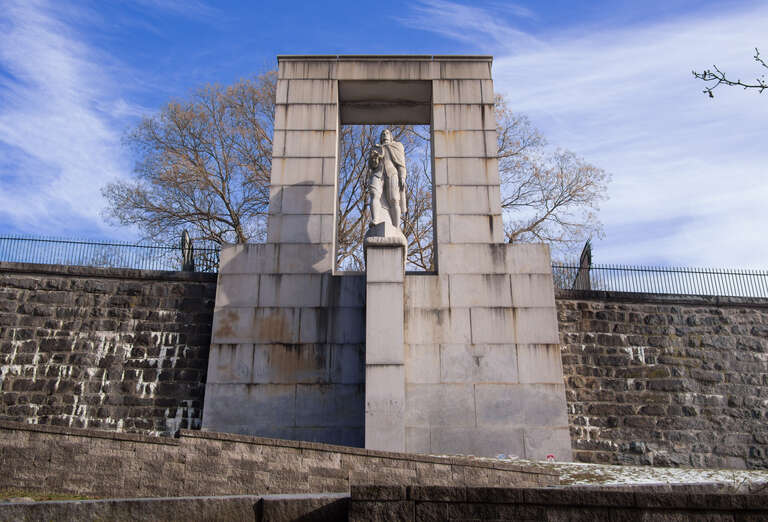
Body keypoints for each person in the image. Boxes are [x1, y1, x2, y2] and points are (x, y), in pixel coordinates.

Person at [367, 129, 407, 230]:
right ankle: (375, 219)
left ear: (391, 136)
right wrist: (374, 159)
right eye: (383, 134)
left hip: (392, 174)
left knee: (394, 200)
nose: (385, 135)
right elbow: (371, 166)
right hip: (377, 174)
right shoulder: (375, 148)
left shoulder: (396, 146)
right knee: (374, 194)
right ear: (380, 137)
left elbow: (401, 165)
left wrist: (402, 177)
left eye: (387, 133)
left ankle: (396, 227)